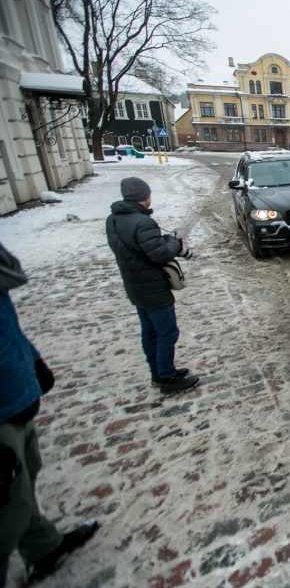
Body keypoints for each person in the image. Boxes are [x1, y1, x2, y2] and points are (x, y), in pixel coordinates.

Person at [0, 242, 100, 584]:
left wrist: (32, 358)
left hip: (17, 397)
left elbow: (7, 327)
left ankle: (43, 547)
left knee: (24, 483)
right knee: (5, 515)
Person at [105, 177, 199, 395]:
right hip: (153, 287)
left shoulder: (113, 219)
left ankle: (158, 371)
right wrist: (174, 242)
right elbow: (160, 254)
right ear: (144, 197)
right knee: (167, 333)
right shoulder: (143, 222)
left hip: (134, 285)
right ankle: (167, 378)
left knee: (149, 332)